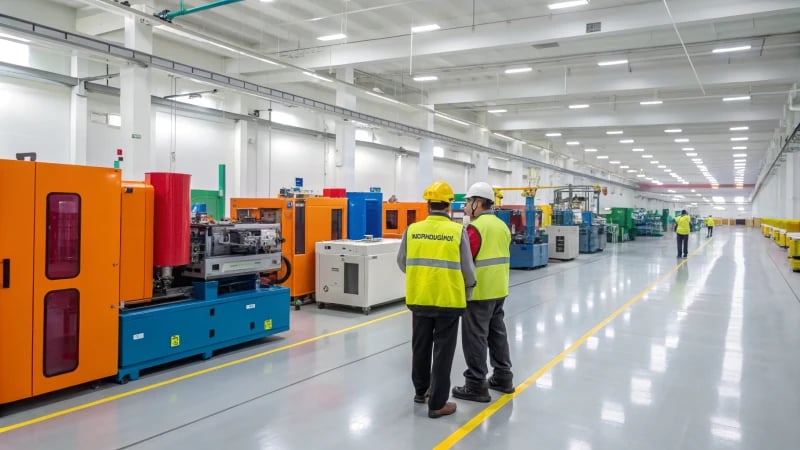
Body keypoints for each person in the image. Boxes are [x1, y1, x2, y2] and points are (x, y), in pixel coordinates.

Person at [396, 181, 476, 419]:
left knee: (420, 347)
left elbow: (402, 262)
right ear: (449, 206)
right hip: (448, 300)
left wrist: (421, 277)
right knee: (443, 351)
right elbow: (468, 270)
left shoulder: (412, 230)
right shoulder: (456, 231)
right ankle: (438, 404)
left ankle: (421, 392)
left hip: (419, 298)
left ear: (428, 204)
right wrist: (469, 290)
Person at [452, 182, 515, 403]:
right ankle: (503, 377)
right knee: (497, 334)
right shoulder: (501, 226)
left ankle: (476, 384)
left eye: (468, 202)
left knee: (475, 338)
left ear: (478, 203)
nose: (466, 206)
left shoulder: (475, 228)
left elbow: (466, 260)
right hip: (500, 290)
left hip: (479, 292)